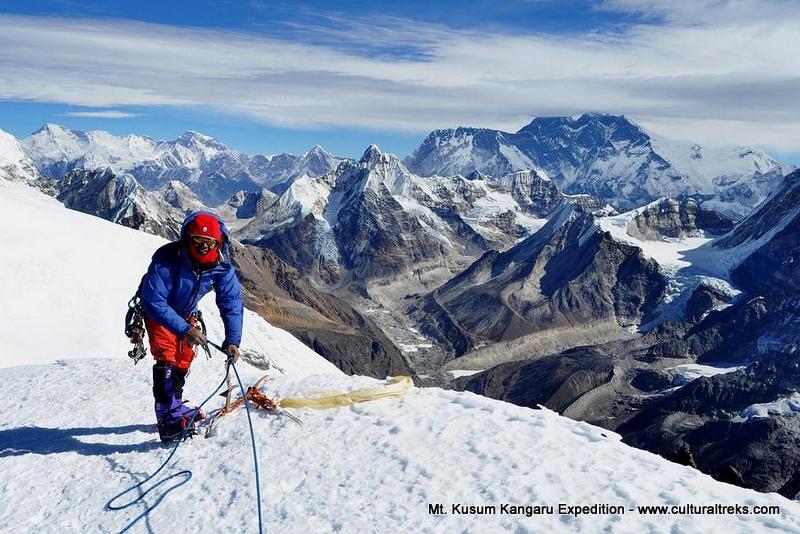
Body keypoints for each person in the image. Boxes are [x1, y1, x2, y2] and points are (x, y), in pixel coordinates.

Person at [138, 211, 243, 442]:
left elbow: (231, 303)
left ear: (218, 243)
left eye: (209, 242)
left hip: (185, 314)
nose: (203, 247)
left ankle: (174, 405)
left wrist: (233, 340)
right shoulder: (167, 260)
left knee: (184, 357)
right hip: (159, 312)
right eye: (198, 240)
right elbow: (153, 300)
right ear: (188, 239)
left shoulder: (221, 268)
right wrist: (184, 329)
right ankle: (168, 420)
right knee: (167, 357)